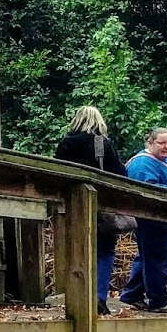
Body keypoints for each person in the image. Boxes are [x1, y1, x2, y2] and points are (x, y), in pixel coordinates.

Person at [54, 106, 128, 316]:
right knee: (104, 251)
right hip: (100, 205)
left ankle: (78, 297)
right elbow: (120, 173)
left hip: (72, 206)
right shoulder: (102, 143)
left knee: (76, 250)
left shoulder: (66, 143)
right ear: (99, 122)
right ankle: (98, 297)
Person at [121, 128, 167, 313]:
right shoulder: (142, 163)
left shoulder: (164, 161)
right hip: (152, 218)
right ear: (150, 143)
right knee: (157, 260)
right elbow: (148, 191)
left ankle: (132, 295)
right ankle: (158, 301)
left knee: (147, 258)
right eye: (162, 143)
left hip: (165, 218)